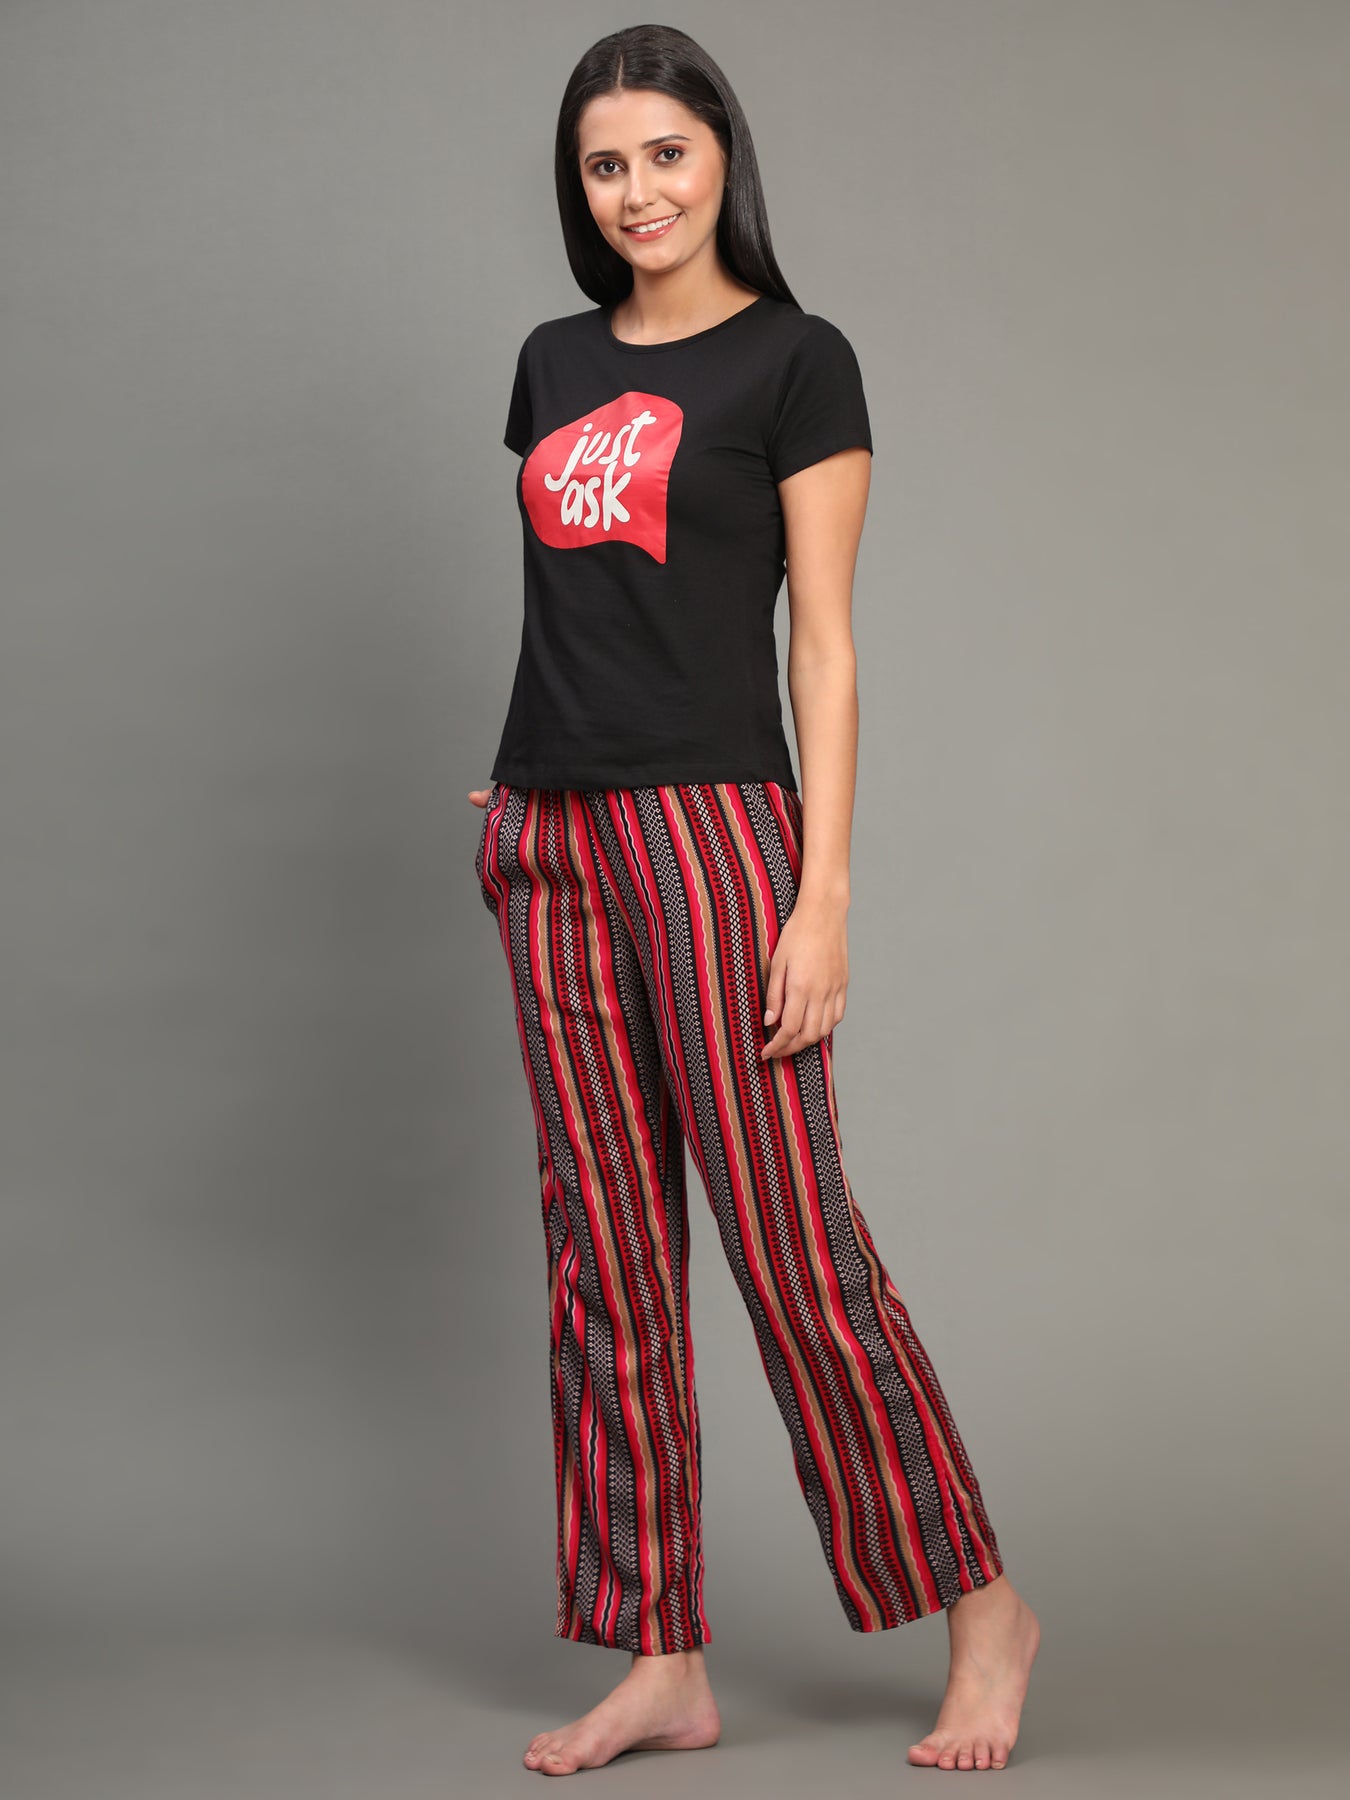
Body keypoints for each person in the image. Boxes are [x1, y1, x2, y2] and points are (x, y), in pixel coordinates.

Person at [469, 22, 1040, 1778]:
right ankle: (662, 1656)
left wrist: (823, 893)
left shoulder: (798, 362)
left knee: (792, 1244)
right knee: (603, 1253)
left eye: (664, 152)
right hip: (550, 833)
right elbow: (576, 609)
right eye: (604, 165)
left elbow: (825, 647)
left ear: (722, 155)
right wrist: (520, 779)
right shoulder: (552, 361)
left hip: (716, 836)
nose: (636, 191)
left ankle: (981, 1606)